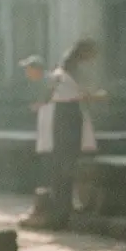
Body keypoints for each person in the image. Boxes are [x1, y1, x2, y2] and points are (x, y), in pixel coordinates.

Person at [37, 39, 106, 229]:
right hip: (68, 116)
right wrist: (98, 96)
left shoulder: (63, 70)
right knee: (66, 163)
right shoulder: (71, 72)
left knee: (62, 163)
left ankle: (62, 208)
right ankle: (62, 211)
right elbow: (82, 93)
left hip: (62, 116)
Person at [18, 55, 55, 227]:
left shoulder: (47, 82)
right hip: (44, 132)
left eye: (29, 69)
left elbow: (47, 102)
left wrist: (39, 105)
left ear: (36, 69)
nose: (26, 73)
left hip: (51, 132)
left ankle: (46, 203)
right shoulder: (39, 84)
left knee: (48, 165)